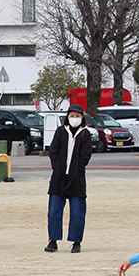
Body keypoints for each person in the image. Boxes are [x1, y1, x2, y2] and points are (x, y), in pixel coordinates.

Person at [45, 107, 94, 253]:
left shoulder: (85, 134)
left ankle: (76, 242)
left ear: (82, 117)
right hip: (59, 178)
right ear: (67, 117)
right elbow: (53, 151)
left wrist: (77, 169)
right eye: (72, 115)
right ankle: (53, 241)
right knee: (54, 211)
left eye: (77, 115)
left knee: (77, 212)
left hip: (77, 178)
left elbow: (86, 155)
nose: (74, 118)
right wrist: (57, 167)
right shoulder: (61, 131)